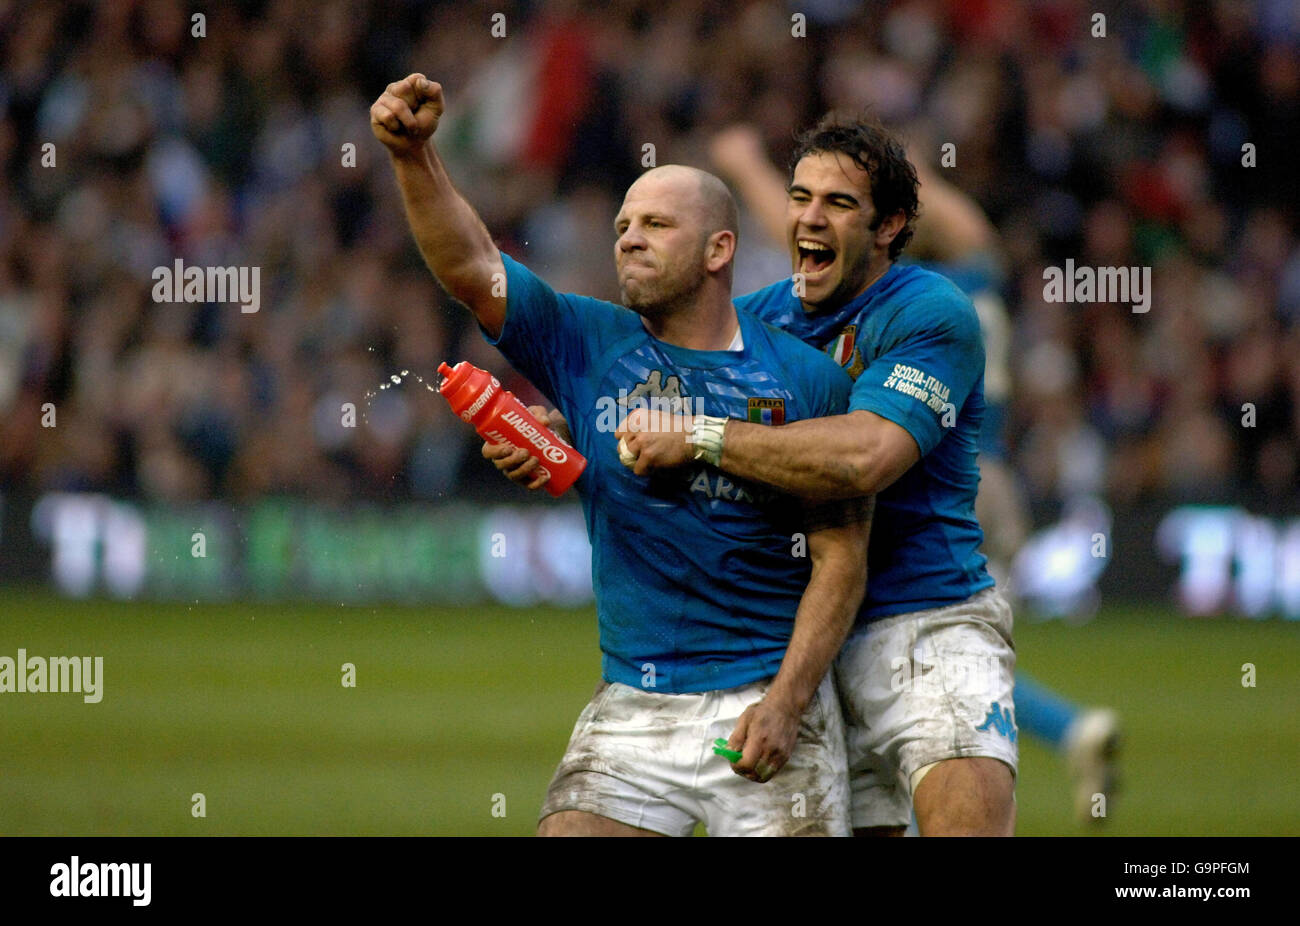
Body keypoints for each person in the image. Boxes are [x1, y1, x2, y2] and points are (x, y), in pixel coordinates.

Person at [371, 74, 871, 836]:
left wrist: (789, 704)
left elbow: (841, 559)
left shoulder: (805, 378)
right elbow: (474, 266)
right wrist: (414, 156)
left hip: (766, 701)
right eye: (622, 224)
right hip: (632, 704)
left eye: (655, 225)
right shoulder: (590, 342)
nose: (628, 237)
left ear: (718, 249)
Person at [708, 124, 1122, 827]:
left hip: (930, 619)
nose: (810, 216)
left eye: (839, 202)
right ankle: (1071, 726)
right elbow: (650, 386)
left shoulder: (934, 306)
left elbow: (865, 458)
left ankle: (1054, 721)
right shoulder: (755, 319)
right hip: (806, 642)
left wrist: (704, 437)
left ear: (891, 224)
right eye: (798, 197)